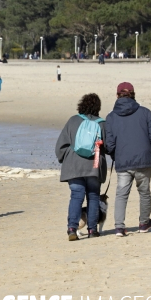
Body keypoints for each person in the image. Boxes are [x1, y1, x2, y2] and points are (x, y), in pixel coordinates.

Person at [105, 82, 151, 237]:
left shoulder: (111, 117)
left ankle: (119, 227)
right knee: (144, 192)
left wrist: (115, 154)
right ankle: (143, 223)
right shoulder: (145, 112)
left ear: (117, 96)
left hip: (124, 161)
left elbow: (109, 144)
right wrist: (148, 150)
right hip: (143, 159)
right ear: (133, 94)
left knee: (121, 194)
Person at [55, 94, 107, 241]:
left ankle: (72, 228)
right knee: (93, 196)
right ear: (98, 107)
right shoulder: (102, 124)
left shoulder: (73, 121)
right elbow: (109, 146)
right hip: (94, 166)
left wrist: (64, 158)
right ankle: (92, 229)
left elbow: (60, 146)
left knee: (76, 196)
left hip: (73, 165)